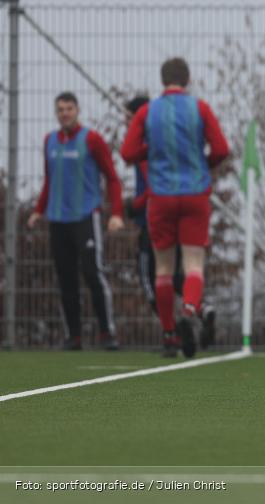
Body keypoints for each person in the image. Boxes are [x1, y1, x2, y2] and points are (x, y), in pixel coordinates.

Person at [121, 58, 229, 358]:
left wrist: (153, 151)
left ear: (162, 80)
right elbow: (221, 149)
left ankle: (170, 333)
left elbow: (128, 152)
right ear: (188, 79)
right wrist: (202, 164)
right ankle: (190, 309)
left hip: (161, 196)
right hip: (195, 194)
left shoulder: (147, 111)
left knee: (163, 269)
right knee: (193, 264)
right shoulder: (200, 108)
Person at [27, 92, 124, 350]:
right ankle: (74, 336)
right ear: (56, 113)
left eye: (69, 109)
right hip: (58, 219)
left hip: (85, 217)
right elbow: (49, 179)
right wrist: (39, 210)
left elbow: (112, 178)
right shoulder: (49, 141)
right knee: (65, 277)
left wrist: (116, 213)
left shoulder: (92, 140)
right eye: (60, 110)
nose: (65, 114)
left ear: (77, 110)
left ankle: (107, 333)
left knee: (92, 272)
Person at [123, 96, 209, 357]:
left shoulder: (150, 147)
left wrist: (134, 205)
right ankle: (197, 309)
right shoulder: (173, 138)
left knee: (155, 275)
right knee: (186, 270)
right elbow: (219, 150)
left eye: (128, 118)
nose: (127, 122)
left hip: (157, 213)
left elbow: (150, 182)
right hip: (188, 203)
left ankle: (171, 334)